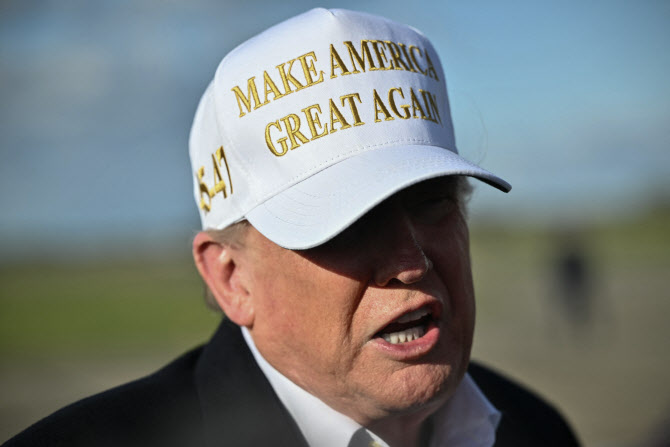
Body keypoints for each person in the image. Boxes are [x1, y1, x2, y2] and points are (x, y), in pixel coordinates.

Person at [4, 8, 580, 447]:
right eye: (348, 223)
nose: (411, 262)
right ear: (231, 278)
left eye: (431, 200)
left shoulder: (534, 428)